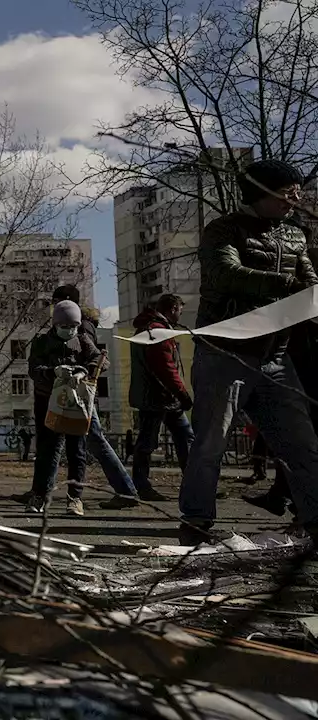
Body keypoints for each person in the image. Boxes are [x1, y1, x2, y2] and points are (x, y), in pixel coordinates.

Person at [178, 159, 318, 544]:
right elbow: (226, 274)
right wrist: (289, 286)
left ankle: (315, 521)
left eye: (299, 191)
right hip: (225, 353)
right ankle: (195, 523)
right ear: (262, 191)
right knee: (210, 443)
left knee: (301, 443)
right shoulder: (222, 230)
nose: (296, 199)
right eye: (288, 191)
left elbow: (310, 282)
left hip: (276, 356)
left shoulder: (295, 236)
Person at [51, 284, 143, 507]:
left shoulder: (79, 327)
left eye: (56, 301)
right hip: (80, 392)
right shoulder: (84, 324)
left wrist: (81, 371)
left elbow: (94, 358)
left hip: (79, 392)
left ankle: (126, 491)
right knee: (88, 442)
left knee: (93, 442)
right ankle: (125, 490)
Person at [25, 300, 101, 516]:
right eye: (65, 327)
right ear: (56, 324)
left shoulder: (83, 340)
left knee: (77, 452)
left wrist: (83, 372)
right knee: (47, 452)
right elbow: (34, 369)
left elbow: (100, 359)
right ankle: (39, 495)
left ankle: (75, 498)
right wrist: (53, 372)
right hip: (48, 402)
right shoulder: (41, 342)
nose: (70, 331)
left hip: (76, 403)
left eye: (74, 327)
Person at [127, 294, 191, 502]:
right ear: (172, 308)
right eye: (179, 310)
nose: (180, 315)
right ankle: (142, 486)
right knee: (150, 442)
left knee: (181, 438)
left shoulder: (151, 328)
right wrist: (182, 393)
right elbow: (166, 368)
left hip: (159, 397)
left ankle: (196, 484)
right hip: (159, 397)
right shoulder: (157, 332)